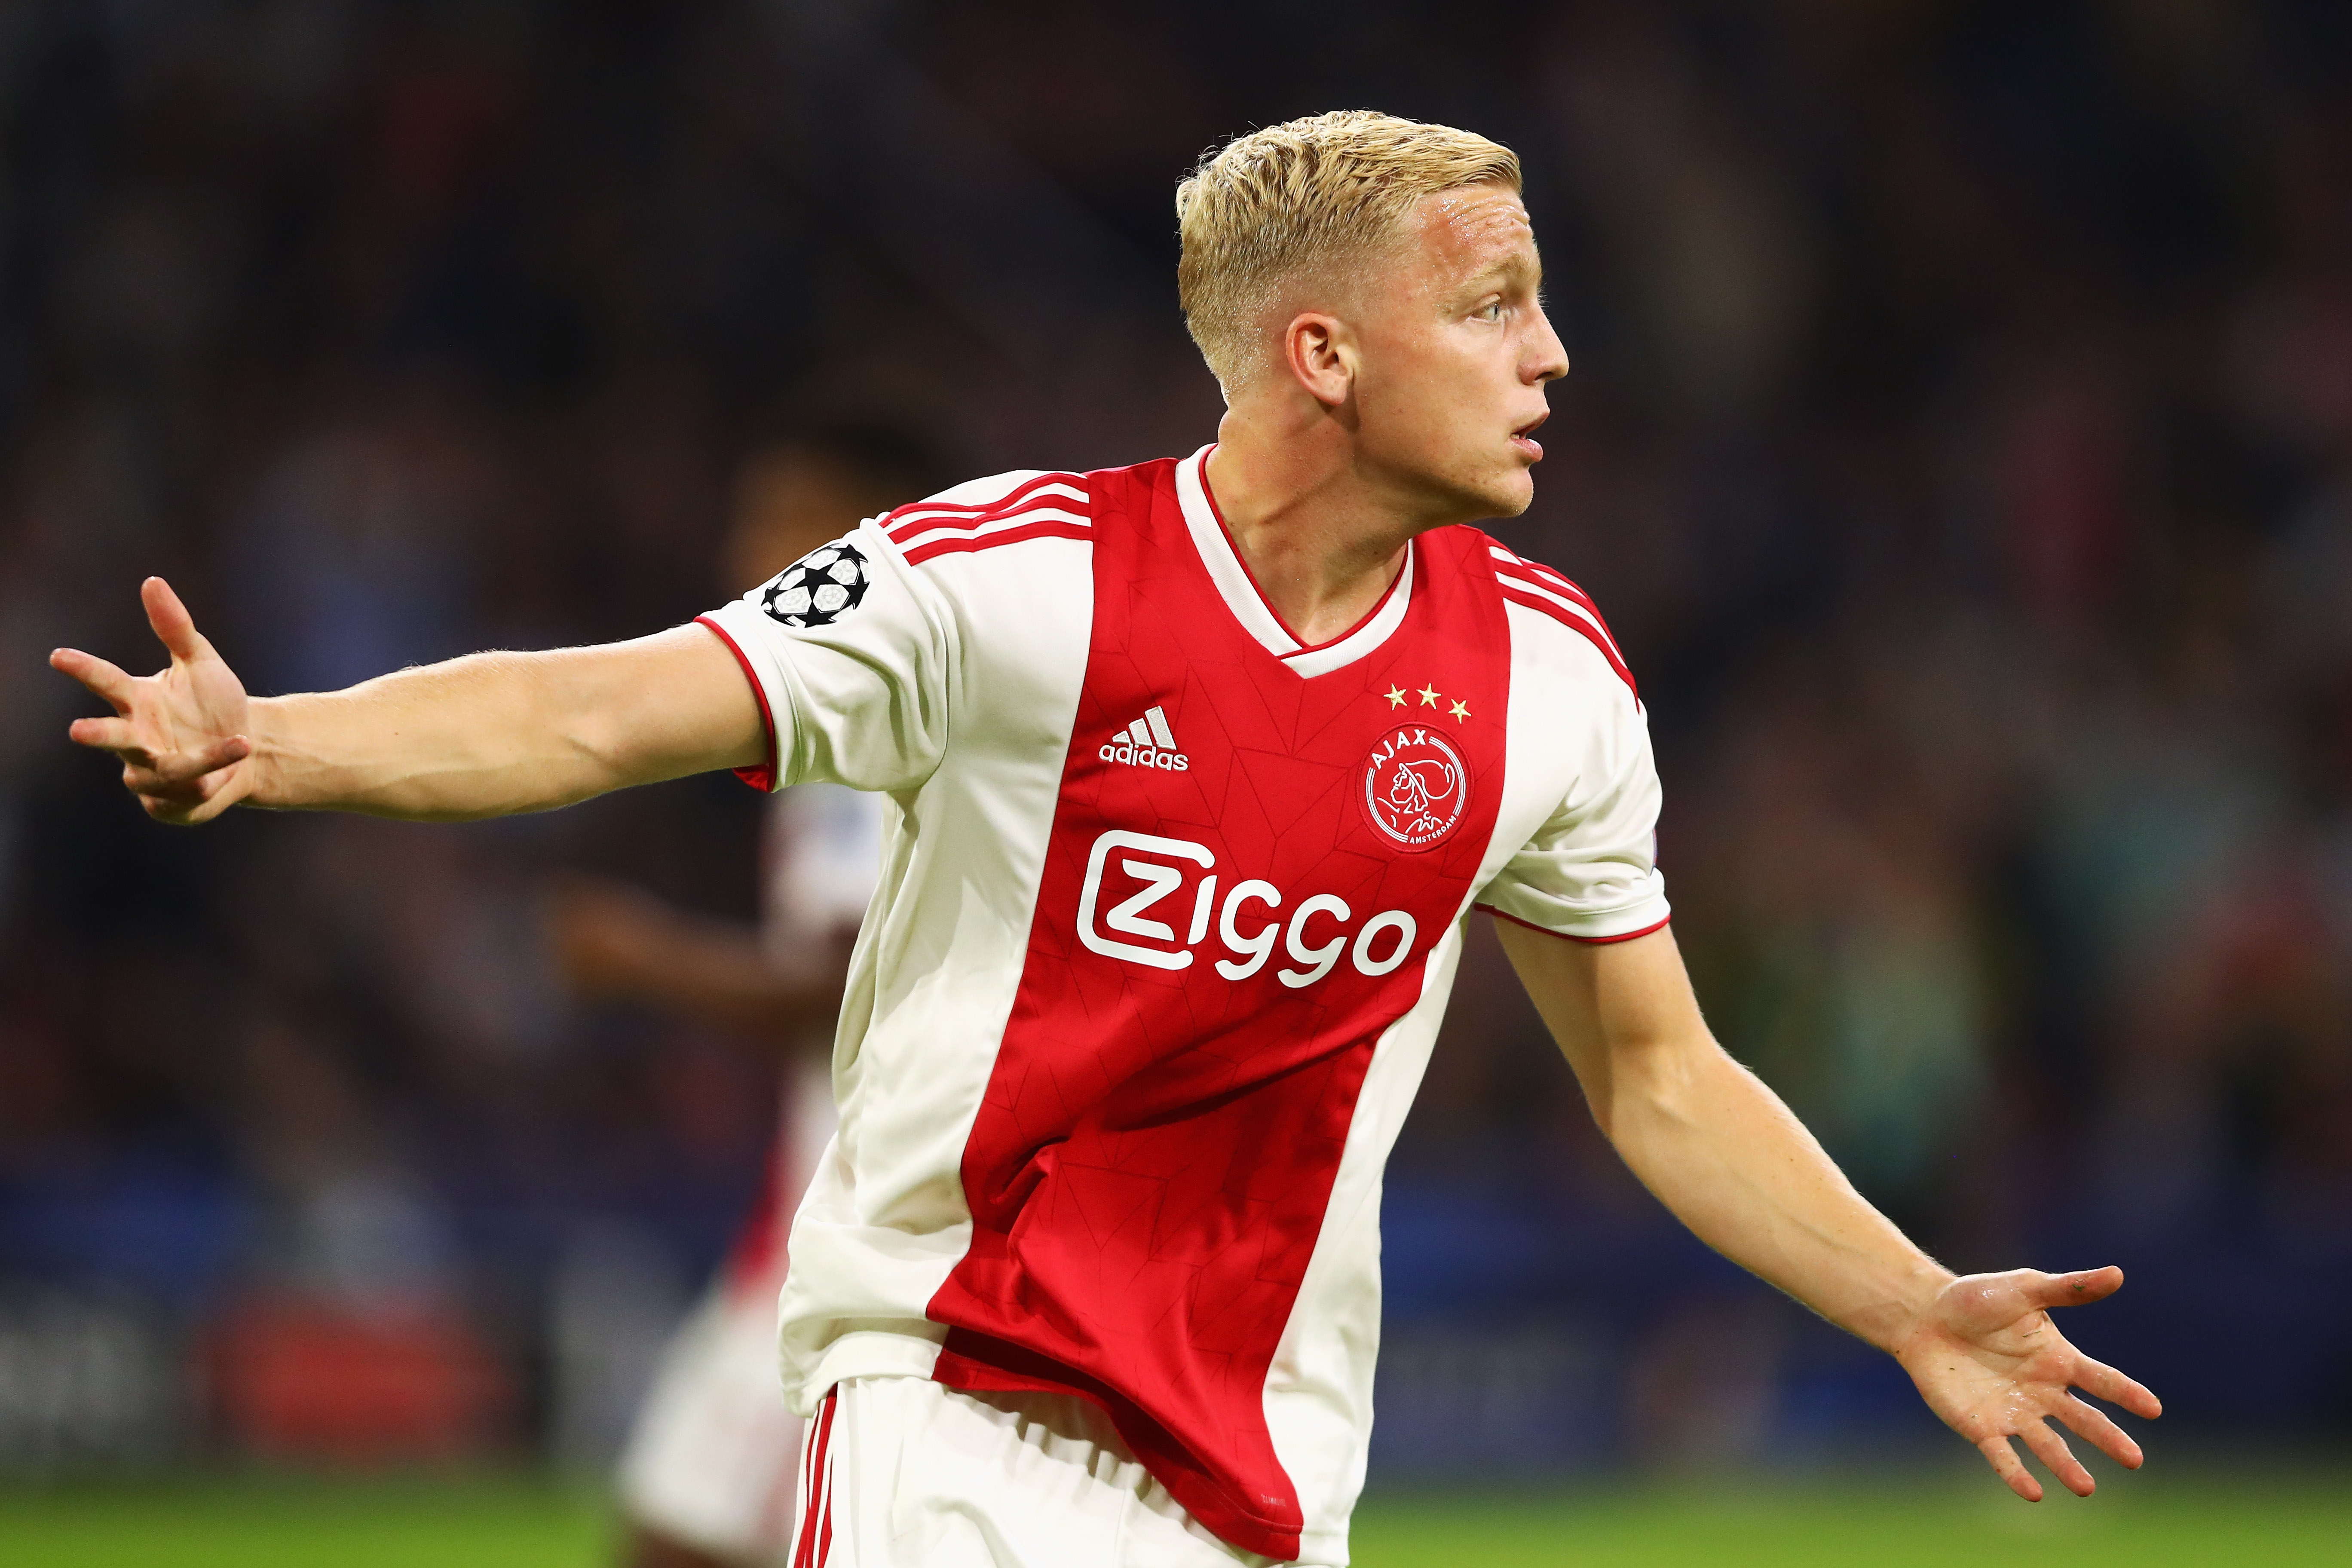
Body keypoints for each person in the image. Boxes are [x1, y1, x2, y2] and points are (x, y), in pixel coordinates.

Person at [52, 111, 2158, 1568]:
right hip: (951, 1429)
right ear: (1324, 354)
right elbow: (601, 705)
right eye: (1497, 305)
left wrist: (1908, 1303)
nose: (1553, 353)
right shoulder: (1016, 585)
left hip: (1272, 1483)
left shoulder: (1551, 683)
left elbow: (1658, 1073)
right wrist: (280, 743)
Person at [549, 419, 948, 1568]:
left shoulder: (878, 728)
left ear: (878, 531)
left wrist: (643, 956)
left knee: (680, 1538)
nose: (748, 555)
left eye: (786, 521)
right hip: (843, 1219)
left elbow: (845, 981)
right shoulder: (868, 716)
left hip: (861, 1234)